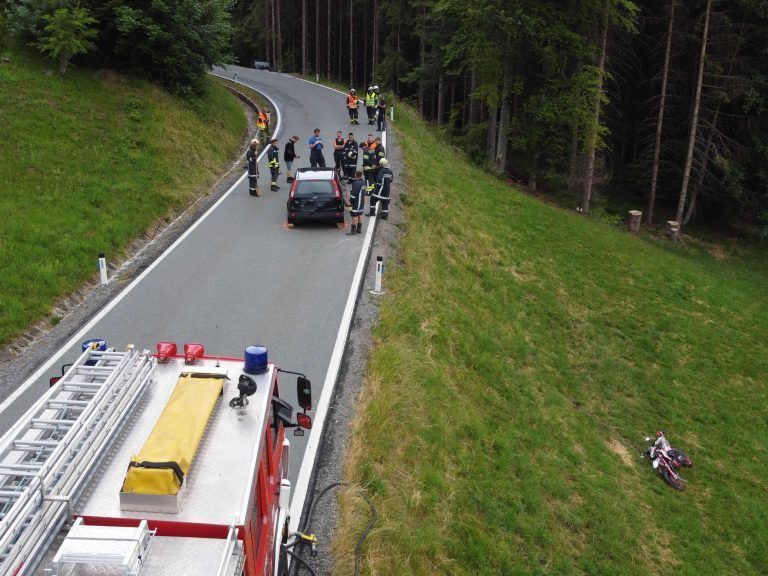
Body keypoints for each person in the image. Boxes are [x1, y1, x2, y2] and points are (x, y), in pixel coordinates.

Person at [346, 171, 366, 235]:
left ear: (356, 175)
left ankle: (353, 231)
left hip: (356, 202)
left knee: (354, 215)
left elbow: (353, 194)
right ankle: (359, 229)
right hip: (361, 201)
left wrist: (349, 202)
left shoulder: (356, 183)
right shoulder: (363, 182)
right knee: (359, 214)